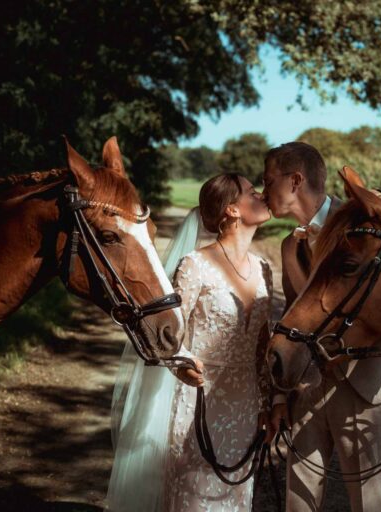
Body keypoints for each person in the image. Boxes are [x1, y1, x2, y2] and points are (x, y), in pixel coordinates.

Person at [262, 142, 381, 512]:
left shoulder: (366, 223)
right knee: (298, 496)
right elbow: (292, 313)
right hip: (307, 382)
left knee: (367, 500)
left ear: (295, 180)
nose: (263, 189)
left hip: (364, 379)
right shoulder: (290, 246)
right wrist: (281, 394)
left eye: (269, 180)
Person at [105, 173, 275, 512]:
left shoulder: (264, 268)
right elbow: (166, 335)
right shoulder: (195, 265)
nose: (263, 196)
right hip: (197, 400)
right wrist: (181, 365)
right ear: (232, 210)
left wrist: (268, 403)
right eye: (252, 192)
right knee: (194, 497)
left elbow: (262, 344)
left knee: (236, 496)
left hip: (246, 403)